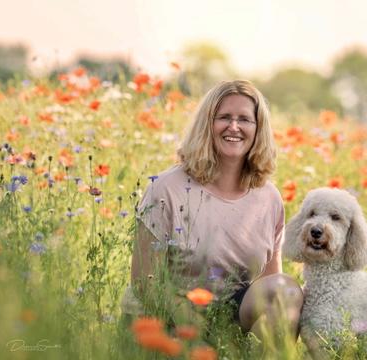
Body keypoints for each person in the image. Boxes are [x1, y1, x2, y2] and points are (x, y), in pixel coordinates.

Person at [122, 80, 303, 340]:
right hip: (165, 322)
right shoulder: (166, 189)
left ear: (258, 128)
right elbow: (144, 283)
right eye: (224, 117)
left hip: (230, 320)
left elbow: (268, 285)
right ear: (207, 123)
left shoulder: (269, 198)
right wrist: (201, 335)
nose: (234, 127)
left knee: (287, 291)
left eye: (244, 119)